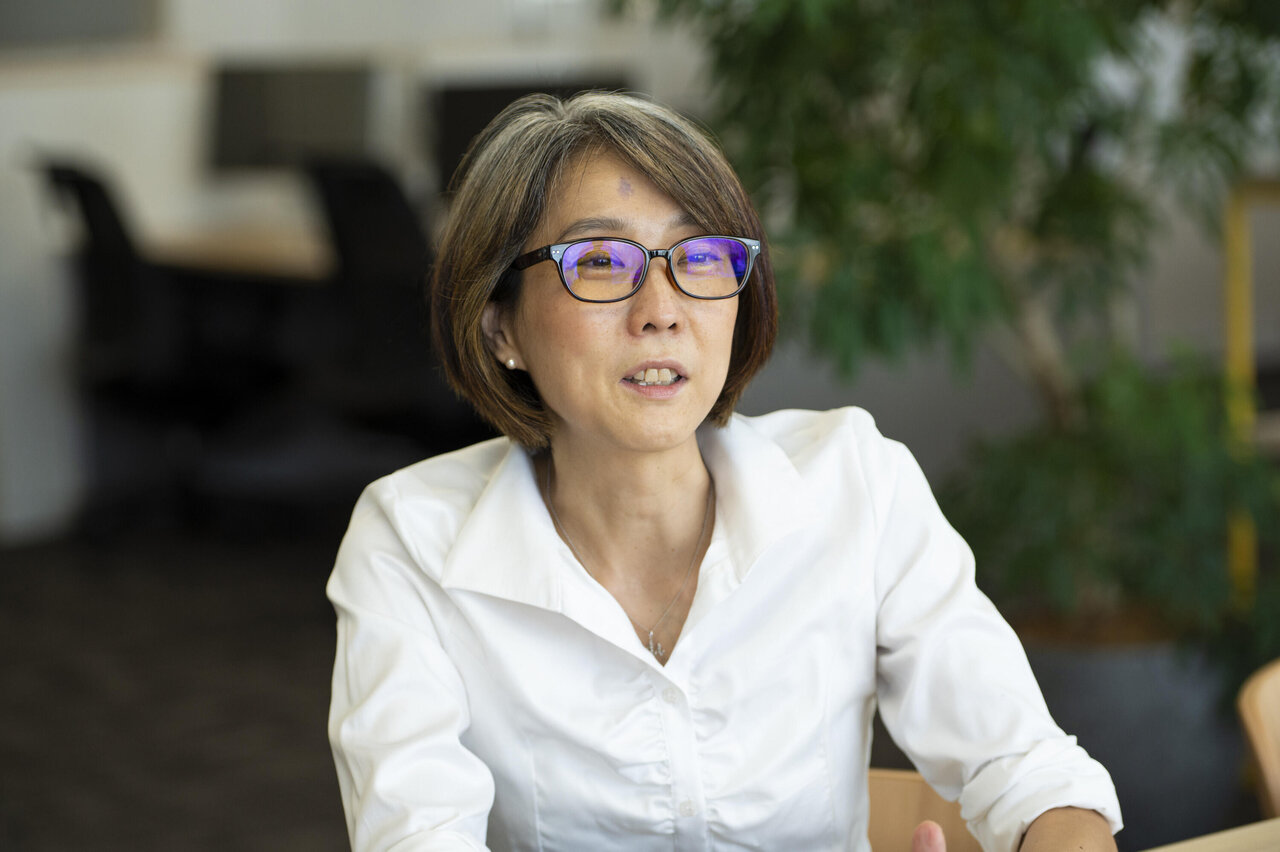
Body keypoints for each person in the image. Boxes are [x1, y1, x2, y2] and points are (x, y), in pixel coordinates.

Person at [326, 91, 1122, 852]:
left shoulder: (857, 484)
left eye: (701, 256)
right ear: (500, 325)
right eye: (600, 261)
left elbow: (1033, 774)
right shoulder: (411, 542)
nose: (662, 310)